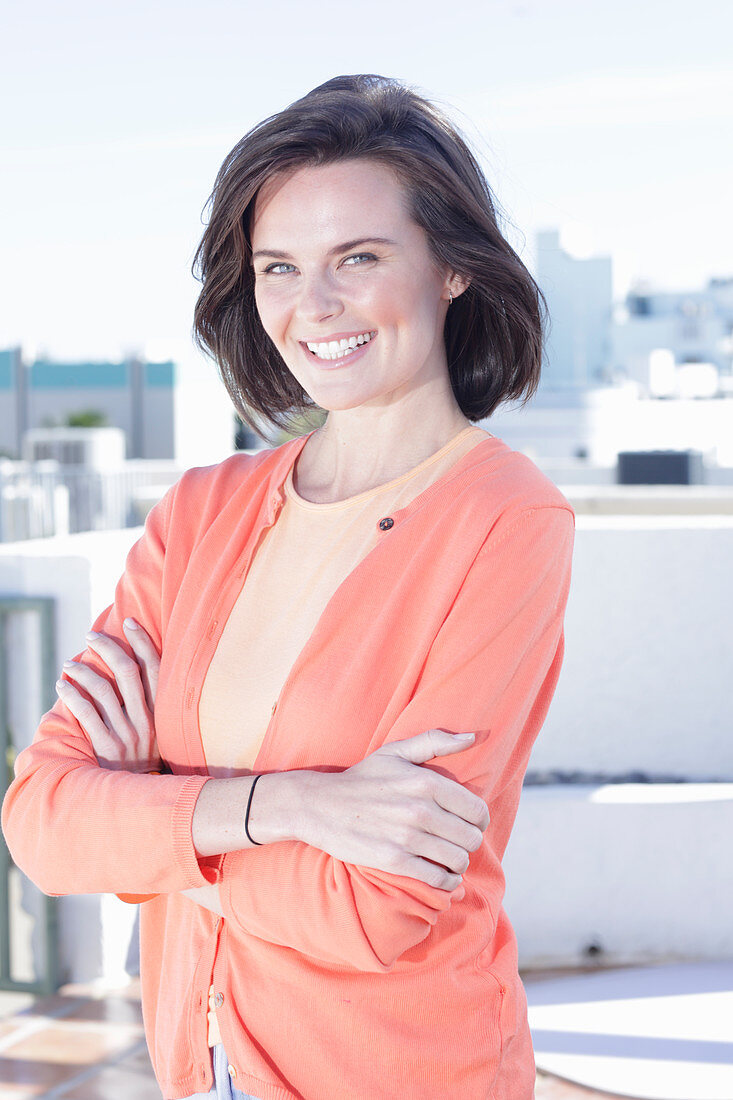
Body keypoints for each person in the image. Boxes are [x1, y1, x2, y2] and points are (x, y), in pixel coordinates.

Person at [1, 74, 575, 1100]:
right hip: (197, 1059)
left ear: (450, 266)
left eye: (357, 257)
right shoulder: (200, 511)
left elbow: (380, 907)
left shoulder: (504, 517)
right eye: (279, 266)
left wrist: (163, 814)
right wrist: (295, 806)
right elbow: (45, 822)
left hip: (401, 1069)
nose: (313, 306)